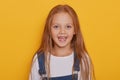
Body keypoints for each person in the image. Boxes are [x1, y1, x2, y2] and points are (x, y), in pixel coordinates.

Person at [29, 4, 95, 80]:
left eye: (68, 26)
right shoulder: (39, 60)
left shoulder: (83, 59)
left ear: (75, 30)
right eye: (56, 26)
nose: (62, 32)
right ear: (49, 30)